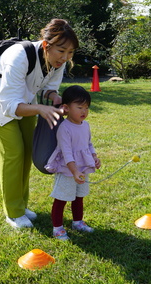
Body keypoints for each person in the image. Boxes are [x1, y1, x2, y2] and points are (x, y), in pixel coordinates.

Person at [0, 19, 78, 228]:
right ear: (46, 45)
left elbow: (47, 88)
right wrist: (40, 109)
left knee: (28, 151)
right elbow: (9, 105)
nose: (65, 58)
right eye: (61, 51)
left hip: (27, 101)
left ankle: (21, 204)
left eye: (70, 52)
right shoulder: (18, 56)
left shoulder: (58, 62)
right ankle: (13, 212)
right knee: (13, 153)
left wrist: (53, 98)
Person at [45, 85, 101, 240]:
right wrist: (74, 171)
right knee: (62, 198)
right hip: (67, 169)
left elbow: (88, 144)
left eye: (87, 108)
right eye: (80, 107)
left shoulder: (86, 125)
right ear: (66, 108)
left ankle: (77, 222)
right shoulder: (65, 128)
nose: (84, 111)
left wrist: (94, 156)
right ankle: (58, 228)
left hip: (82, 167)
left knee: (79, 196)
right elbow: (67, 152)